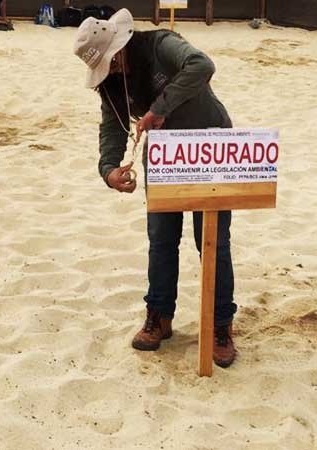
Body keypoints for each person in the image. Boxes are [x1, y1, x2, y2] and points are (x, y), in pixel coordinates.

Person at [73, 9, 239, 368]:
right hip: (165, 157)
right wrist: (108, 169)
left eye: (109, 64)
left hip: (210, 146)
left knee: (212, 240)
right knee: (161, 237)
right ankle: (159, 316)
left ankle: (220, 325)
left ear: (118, 50)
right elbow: (112, 126)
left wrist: (159, 109)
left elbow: (202, 66)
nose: (110, 72)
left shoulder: (163, 43)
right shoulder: (110, 82)